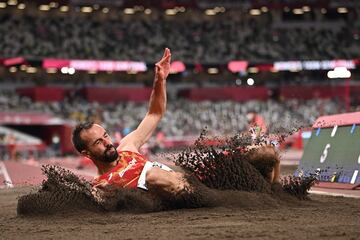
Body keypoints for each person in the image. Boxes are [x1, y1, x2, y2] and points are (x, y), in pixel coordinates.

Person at [72, 48, 190, 198]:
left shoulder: (128, 147)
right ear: (86, 153)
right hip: (168, 201)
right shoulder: (100, 186)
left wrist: (160, 81)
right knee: (152, 176)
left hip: (183, 185)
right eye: (98, 142)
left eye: (106, 135)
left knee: (157, 173)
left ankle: (202, 192)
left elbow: (154, 114)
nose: (107, 142)